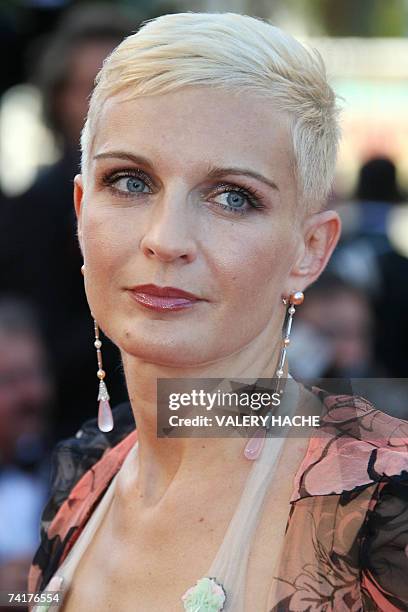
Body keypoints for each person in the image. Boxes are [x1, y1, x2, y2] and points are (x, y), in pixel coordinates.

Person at [27, 12, 408, 611]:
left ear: (310, 250)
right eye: (129, 181)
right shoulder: (81, 480)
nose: (166, 238)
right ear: (81, 211)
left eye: (234, 197)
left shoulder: (383, 503)